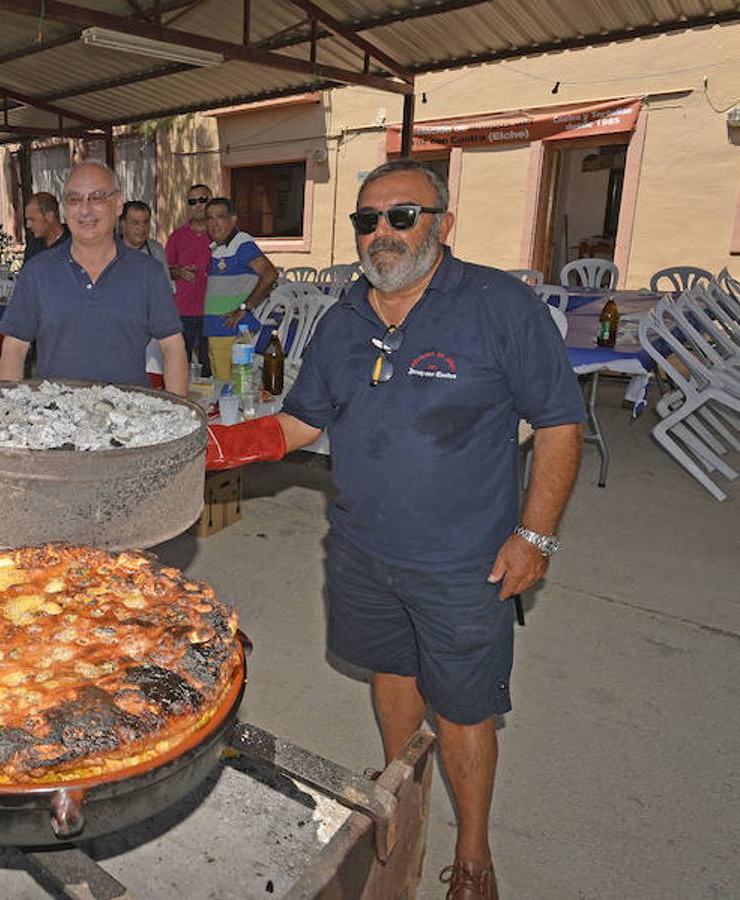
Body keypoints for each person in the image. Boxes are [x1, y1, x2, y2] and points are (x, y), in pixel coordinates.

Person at [206, 159, 585, 900]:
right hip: (360, 550)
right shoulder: (344, 316)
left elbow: (559, 424)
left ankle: (474, 857)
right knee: (391, 675)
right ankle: (401, 805)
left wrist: (534, 537)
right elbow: (302, 419)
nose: (381, 233)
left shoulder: (499, 306)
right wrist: (219, 448)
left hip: (464, 563)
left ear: (443, 223)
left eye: (401, 216)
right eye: (366, 220)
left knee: (466, 707)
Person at [0, 162, 187, 396]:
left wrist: (180, 414)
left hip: (131, 421)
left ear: (118, 204)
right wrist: (9, 413)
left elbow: (173, 346)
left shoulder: (148, 272)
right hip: (56, 421)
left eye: (96, 198)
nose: (85, 210)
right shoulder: (37, 272)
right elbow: (14, 348)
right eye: (75, 200)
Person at [202, 197, 277, 379]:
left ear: (233, 219)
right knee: (225, 386)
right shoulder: (218, 248)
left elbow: (270, 274)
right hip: (217, 330)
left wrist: (245, 307)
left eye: (219, 216)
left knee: (233, 389)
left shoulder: (241, 243)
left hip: (231, 331)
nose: (214, 223)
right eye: (209, 218)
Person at [118, 200, 175, 389]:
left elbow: (166, 295)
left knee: (151, 387)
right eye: (135, 222)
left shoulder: (156, 251)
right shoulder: (108, 252)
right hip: (119, 336)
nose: (141, 229)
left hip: (151, 337)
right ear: (122, 224)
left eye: (145, 222)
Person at [166, 183, 214, 376]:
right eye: (192, 201)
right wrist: (178, 271)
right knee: (181, 365)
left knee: (210, 367)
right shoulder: (177, 236)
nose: (198, 205)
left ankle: (211, 405)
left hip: (213, 310)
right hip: (183, 311)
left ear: (210, 201)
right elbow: (165, 270)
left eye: (203, 200)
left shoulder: (220, 234)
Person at [23, 191, 69, 262]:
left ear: (49, 216)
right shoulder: (33, 247)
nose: (28, 225)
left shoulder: (75, 243)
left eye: (32, 220)